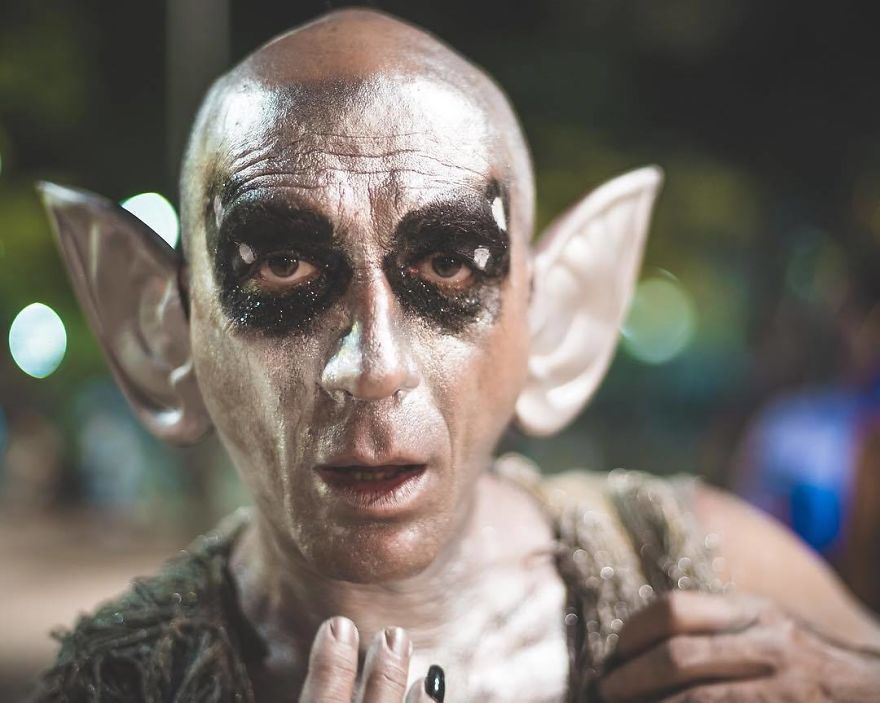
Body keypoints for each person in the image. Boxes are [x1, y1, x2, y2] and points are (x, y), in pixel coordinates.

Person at [32, 9, 880, 702]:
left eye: (446, 265)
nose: (372, 365)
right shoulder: (111, 683)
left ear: (551, 323)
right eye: (283, 267)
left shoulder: (707, 573)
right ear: (166, 337)